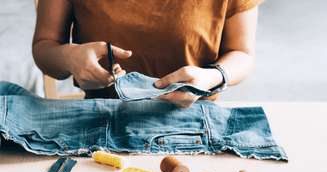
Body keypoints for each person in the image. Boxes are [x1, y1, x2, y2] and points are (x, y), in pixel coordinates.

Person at [32, 0, 264, 108]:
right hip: (100, 119)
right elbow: (45, 46)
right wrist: (69, 58)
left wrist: (212, 77)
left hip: (195, 120)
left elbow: (241, 53)